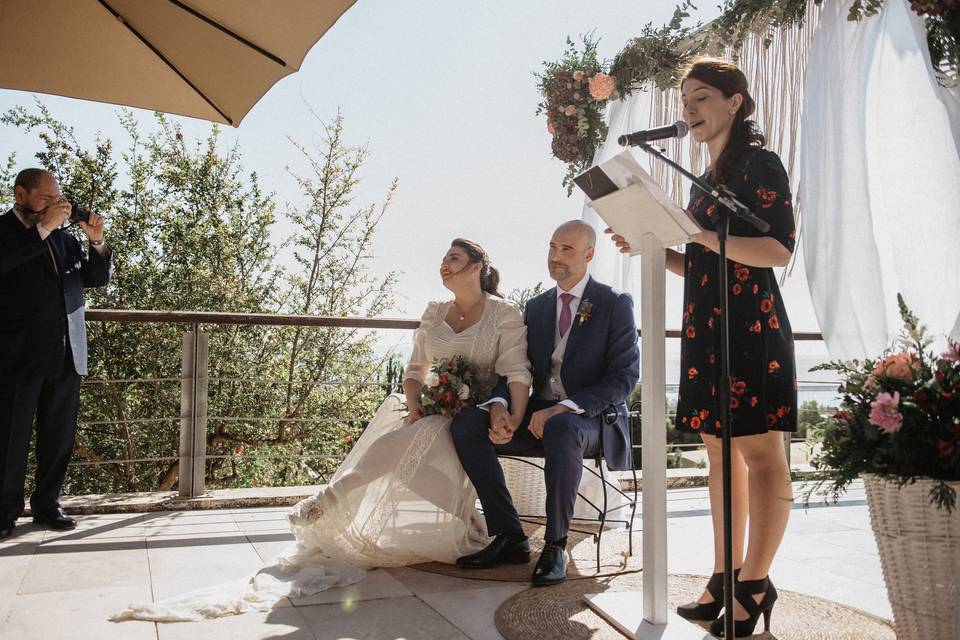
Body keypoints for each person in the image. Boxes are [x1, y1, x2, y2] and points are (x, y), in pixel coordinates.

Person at [113, 238, 533, 621]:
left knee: (405, 443)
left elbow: (516, 369)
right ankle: (342, 501)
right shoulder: (434, 312)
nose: (444, 266)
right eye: (442, 260)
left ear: (478, 266)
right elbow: (415, 370)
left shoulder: (503, 314)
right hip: (428, 411)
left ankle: (329, 500)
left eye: (454, 260)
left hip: (474, 413)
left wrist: (512, 416)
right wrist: (415, 406)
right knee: (403, 436)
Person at [608, 58, 797, 637]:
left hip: (749, 327)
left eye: (701, 98)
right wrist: (648, 245)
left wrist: (699, 239)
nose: (689, 111)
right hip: (706, 328)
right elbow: (700, 261)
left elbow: (777, 251)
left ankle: (756, 583)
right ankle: (725, 574)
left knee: (761, 455)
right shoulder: (708, 179)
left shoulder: (760, 164)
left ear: (735, 101)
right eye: (684, 102)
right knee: (718, 453)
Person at [451, 220, 639, 587]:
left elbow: (624, 379)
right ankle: (510, 536)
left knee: (561, 426)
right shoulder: (536, 307)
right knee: (467, 425)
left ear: (589, 254)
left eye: (567, 249)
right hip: (538, 415)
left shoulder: (614, 303)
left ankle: (555, 545)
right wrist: (499, 405)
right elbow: (517, 367)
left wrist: (565, 406)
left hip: (590, 420)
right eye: (552, 247)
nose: (555, 256)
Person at [0, 168, 113, 540]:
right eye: (47, 199)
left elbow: (94, 279)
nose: (56, 205)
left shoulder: (65, 240)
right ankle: (5, 511)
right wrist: (43, 229)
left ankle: (47, 504)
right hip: (17, 356)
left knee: (58, 436)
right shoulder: (5, 231)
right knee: (11, 438)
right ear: (21, 194)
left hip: (67, 355)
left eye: (58, 198)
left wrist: (96, 242)